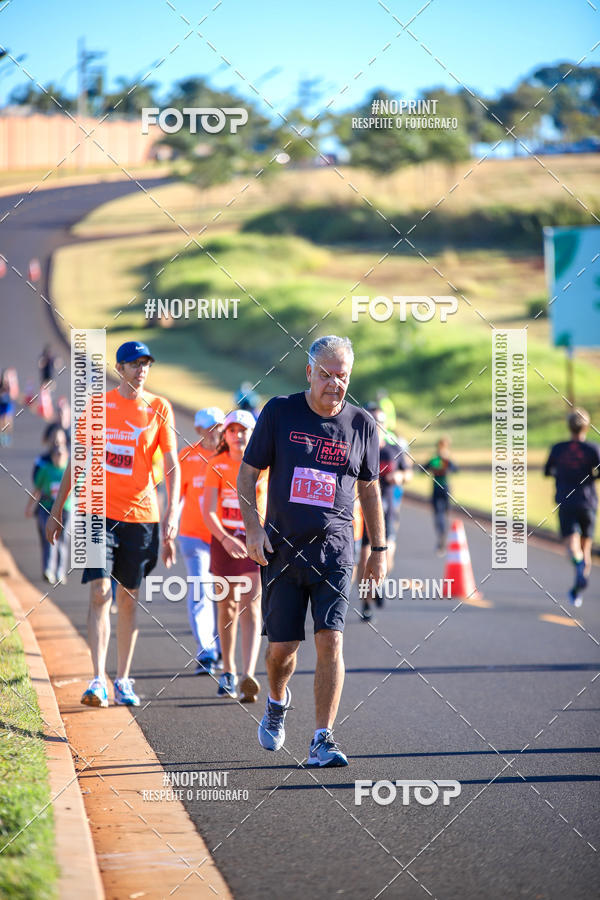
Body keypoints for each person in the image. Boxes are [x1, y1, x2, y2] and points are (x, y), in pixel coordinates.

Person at [238, 334, 386, 767]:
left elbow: (370, 489)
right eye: (326, 374)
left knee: (331, 641)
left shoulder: (362, 424)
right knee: (282, 650)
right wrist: (252, 529)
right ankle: (277, 700)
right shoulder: (279, 412)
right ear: (309, 373)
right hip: (282, 551)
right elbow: (247, 476)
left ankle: (323, 738)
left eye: (342, 376)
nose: (334, 384)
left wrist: (378, 549)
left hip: (335, 552)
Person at [46, 341, 180, 708]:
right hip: (96, 512)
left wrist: (173, 513)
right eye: (134, 364)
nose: (141, 369)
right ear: (119, 369)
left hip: (141, 517)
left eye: (146, 363)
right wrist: (58, 509)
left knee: (128, 599)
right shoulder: (97, 406)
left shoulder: (159, 407)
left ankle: (122, 679)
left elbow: (171, 465)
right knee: (100, 592)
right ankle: (97, 680)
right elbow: (79, 459)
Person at [203, 410, 266, 702]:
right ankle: (228, 670)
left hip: (254, 540)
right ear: (225, 435)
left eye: (243, 430)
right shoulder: (216, 464)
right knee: (227, 606)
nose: (238, 435)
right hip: (224, 540)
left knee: (251, 605)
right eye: (232, 430)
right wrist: (225, 539)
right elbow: (208, 511)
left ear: (253, 434)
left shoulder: (265, 466)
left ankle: (247, 675)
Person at [178, 407, 225, 673]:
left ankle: (222, 649)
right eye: (210, 426)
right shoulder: (187, 457)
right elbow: (176, 497)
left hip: (226, 538)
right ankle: (206, 651)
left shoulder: (233, 456)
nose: (215, 431)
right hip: (193, 536)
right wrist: (167, 529)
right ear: (198, 430)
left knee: (225, 595)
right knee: (200, 590)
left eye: (219, 426)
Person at [358, 405, 409, 621]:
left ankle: (380, 583)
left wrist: (400, 477)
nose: (377, 425)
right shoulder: (359, 447)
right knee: (364, 560)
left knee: (387, 559)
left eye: (380, 421)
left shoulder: (393, 449)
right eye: (373, 421)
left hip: (388, 511)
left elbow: (408, 472)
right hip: (364, 512)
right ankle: (366, 604)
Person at [544, 408, 600, 607]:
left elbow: (547, 471)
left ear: (569, 426)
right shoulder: (593, 449)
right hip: (588, 502)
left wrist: (561, 474)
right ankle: (577, 590)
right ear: (586, 426)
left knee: (571, 545)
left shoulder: (558, 448)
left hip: (567, 501)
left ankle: (577, 569)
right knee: (586, 548)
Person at [26, 430, 71, 584]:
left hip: (66, 510)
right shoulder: (46, 469)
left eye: (61, 454)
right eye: (56, 454)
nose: (59, 456)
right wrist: (29, 507)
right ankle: (48, 570)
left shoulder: (70, 471)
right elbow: (37, 490)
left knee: (63, 540)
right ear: (52, 456)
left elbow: (81, 491)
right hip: (46, 508)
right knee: (50, 539)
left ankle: (60, 571)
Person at [424, 437, 457, 555]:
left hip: (445, 489)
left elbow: (455, 469)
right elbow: (423, 468)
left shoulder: (446, 460)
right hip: (437, 489)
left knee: (445, 514)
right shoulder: (435, 459)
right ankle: (441, 537)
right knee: (438, 515)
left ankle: (443, 537)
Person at [0, 370, 15, 447]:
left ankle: (7, 435)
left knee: (8, 422)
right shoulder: (1, 385)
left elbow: (13, 394)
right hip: (2, 404)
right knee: (2, 422)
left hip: (8, 405)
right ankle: (3, 436)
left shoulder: (9, 384)